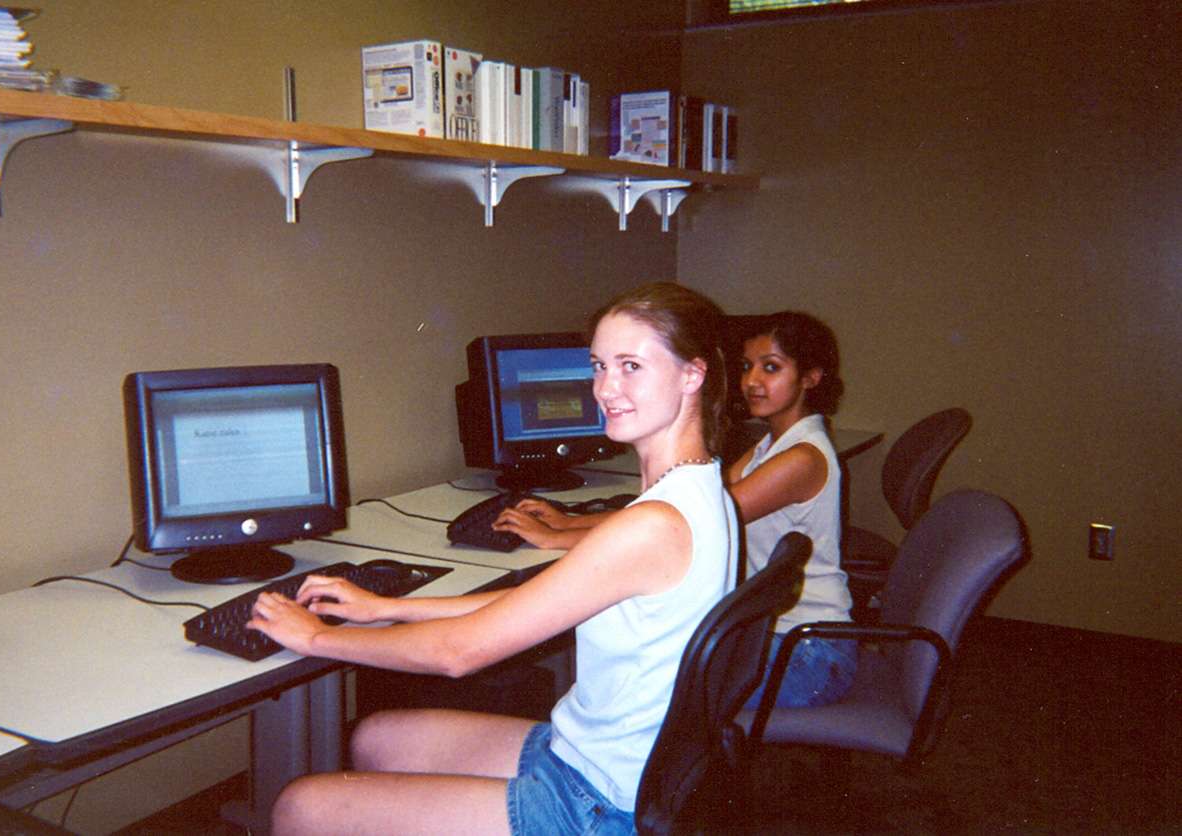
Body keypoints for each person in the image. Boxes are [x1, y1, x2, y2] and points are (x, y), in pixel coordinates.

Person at [247, 281, 738, 835]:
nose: (605, 388)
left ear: (692, 375)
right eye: (599, 365)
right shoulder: (697, 489)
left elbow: (461, 653)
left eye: (631, 367)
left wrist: (316, 638)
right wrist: (384, 606)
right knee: (375, 738)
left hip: (598, 803)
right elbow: (533, 602)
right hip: (594, 754)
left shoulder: (652, 525)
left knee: (299, 807)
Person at [499, 310, 855, 710]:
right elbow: (677, 506)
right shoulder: (772, 444)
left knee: (650, 683)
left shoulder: (801, 458)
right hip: (776, 635)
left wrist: (559, 538)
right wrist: (571, 520)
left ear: (811, 377)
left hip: (808, 655)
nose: (752, 381)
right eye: (746, 367)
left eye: (771, 368)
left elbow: (695, 520)